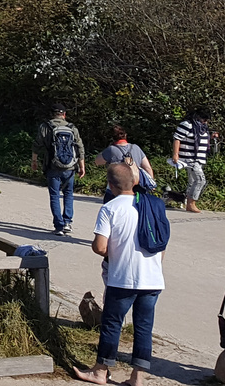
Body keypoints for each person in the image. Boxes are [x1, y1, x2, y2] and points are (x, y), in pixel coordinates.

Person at [73, 162, 163, 384]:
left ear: (110, 185)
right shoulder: (153, 206)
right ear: (134, 182)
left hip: (122, 278)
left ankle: (100, 371)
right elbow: (161, 245)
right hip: (152, 279)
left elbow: (100, 247)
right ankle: (138, 377)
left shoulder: (110, 208)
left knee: (112, 324)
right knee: (144, 327)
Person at [36, 103, 87, 235]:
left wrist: (34, 161)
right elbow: (80, 147)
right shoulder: (72, 128)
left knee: (54, 195)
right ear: (64, 114)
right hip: (70, 167)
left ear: (52, 114)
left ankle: (58, 226)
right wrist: (82, 166)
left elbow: (37, 144)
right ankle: (67, 223)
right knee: (68, 193)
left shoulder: (45, 127)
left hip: (52, 166)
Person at [94, 126, 157, 200]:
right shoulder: (136, 148)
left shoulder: (111, 150)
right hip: (137, 186)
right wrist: (151, 183)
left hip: (116, 188)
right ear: (125, 135)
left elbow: (97, 161)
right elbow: (147, 167)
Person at [170, 109, 215, 212]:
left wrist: (211, 137)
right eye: (204, 119)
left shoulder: (202, 127)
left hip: (199, 158)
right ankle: (191, 203)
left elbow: (201, 139)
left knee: (192, 182)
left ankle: (183, 200)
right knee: (200, 180)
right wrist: (175, 154)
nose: (205, 121)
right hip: (189, 158)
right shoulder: (187, 125)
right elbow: (177, 138)